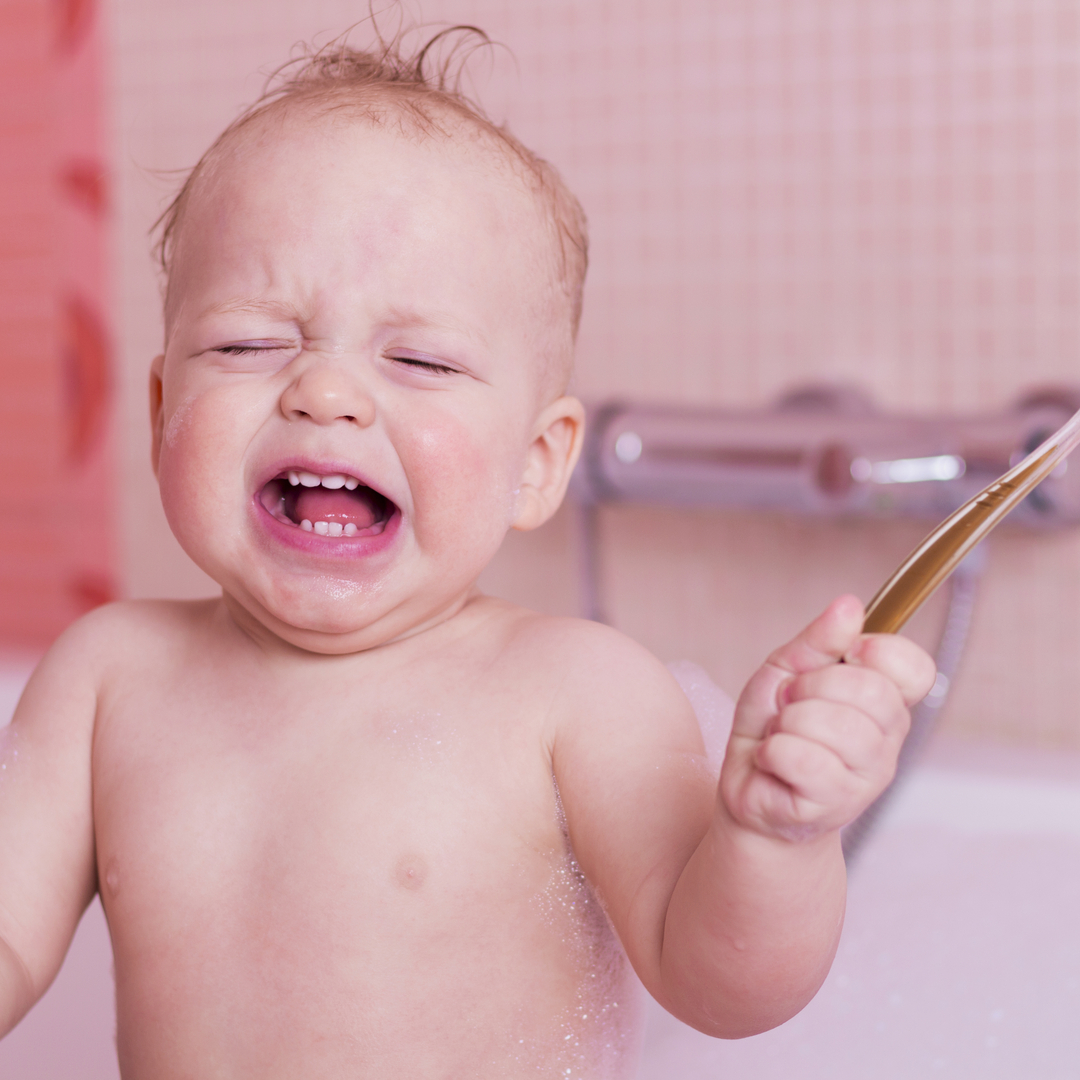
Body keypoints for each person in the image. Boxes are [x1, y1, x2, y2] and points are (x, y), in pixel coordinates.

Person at [0, 31, 934, 1079]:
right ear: (165, 406)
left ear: (536, 464)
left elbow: (720, 985)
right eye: (248, 344)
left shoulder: (574, 693)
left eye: (421, 358)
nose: (326, 391)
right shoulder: (106, 680)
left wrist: (770, 842)